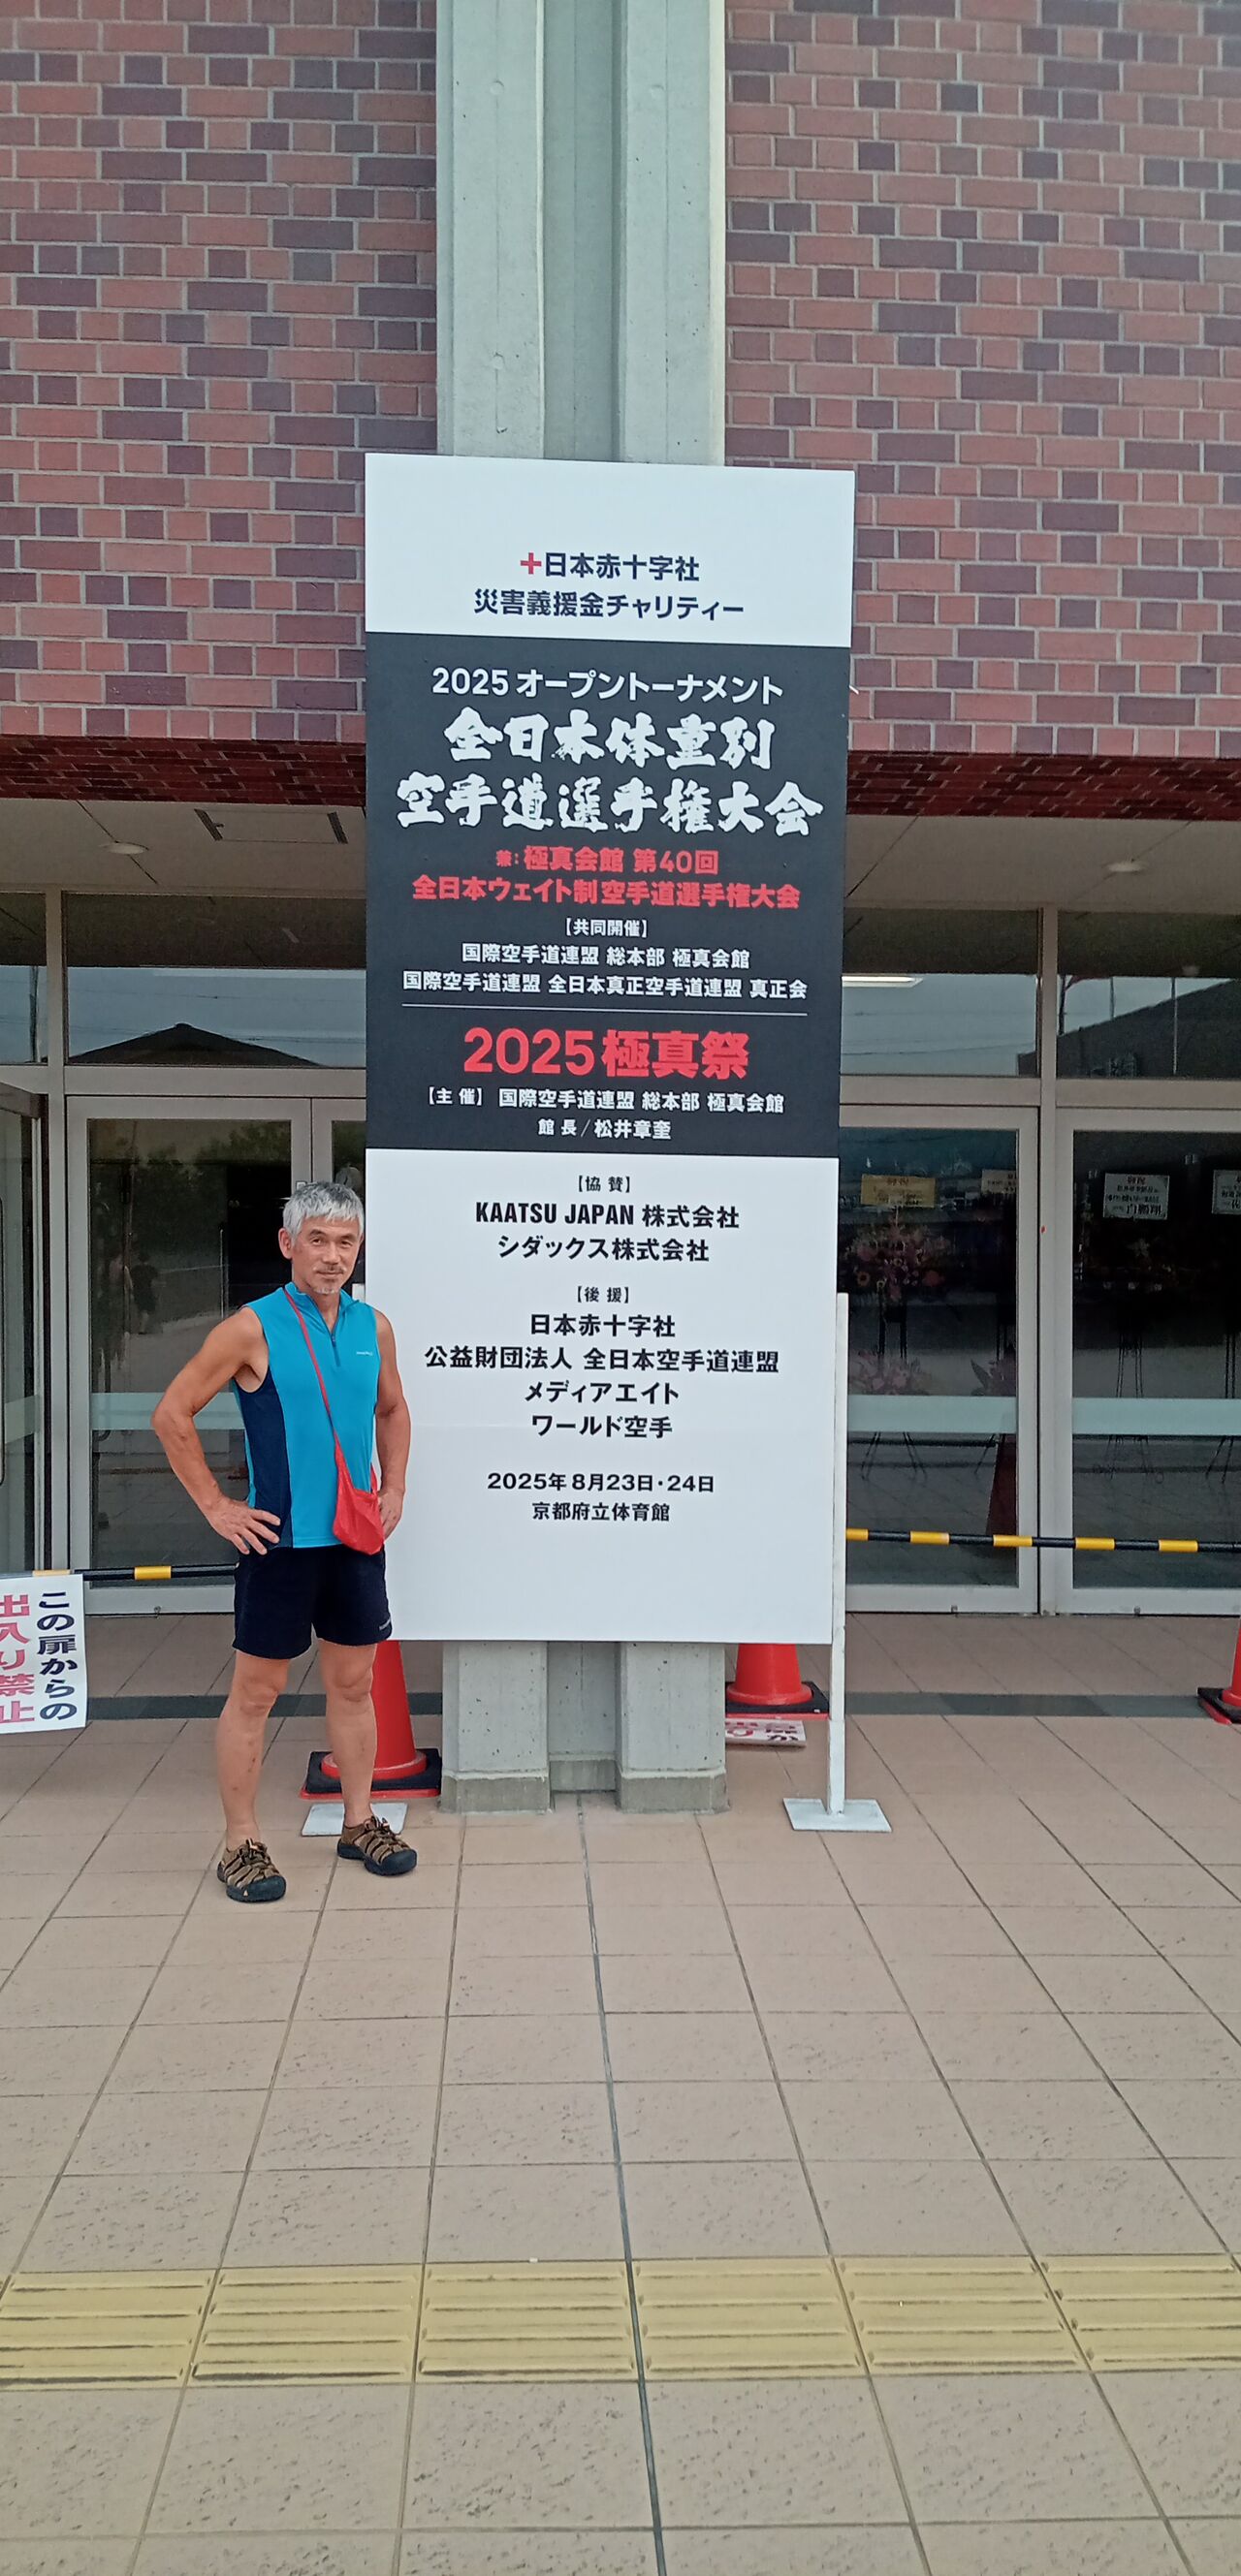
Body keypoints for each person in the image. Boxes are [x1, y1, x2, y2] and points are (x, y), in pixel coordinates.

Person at [151, 1179, 417, 1902]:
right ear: (287, 1244)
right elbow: (173, 1413)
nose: (332, 1256)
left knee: (354, 1685)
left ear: (359, 1249)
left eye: (346, 1242)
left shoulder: (373, 1327)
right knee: (257, 1694)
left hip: (355, 1541)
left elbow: (393, 1410)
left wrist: (394, 1488)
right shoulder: (252, 1328)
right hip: (279, 1544)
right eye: (318, 1240)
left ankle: (359, 1822)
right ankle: (240, 1843)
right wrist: (218, 1507)